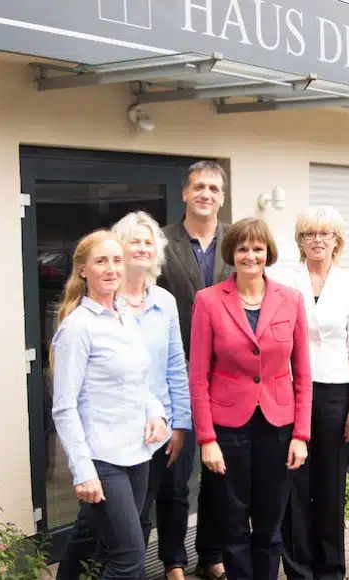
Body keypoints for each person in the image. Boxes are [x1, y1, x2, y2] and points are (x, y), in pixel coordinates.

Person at [189, 217, 312, 580]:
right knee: (233, 523)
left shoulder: (291, 300)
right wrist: (207, 439)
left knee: (270, 525)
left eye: (257, 248)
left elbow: (302, 374)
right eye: (242, 248)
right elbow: (198, 377)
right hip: (228, 429)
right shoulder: (208, 301)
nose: (250, 255)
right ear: (232, 253)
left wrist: (301, 435)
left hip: (278, 425)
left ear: (268, 253)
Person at [52, 230, 168, 579]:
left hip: (138, 453)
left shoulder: (126, 316)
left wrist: (156, 413)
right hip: (103, 458)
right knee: (128, 558)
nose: (111, 268)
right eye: (101, 261)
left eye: (116, 260)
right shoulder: (78, 327)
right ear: (83, 270)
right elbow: (64, 407)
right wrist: (82, 470)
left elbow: (140, 383)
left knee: (89, 538)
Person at [277, 206, 349, 580]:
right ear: (300, 241)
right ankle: (298, 569)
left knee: (330, 486)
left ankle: (330, 570)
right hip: (289, 391)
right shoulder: (282, 279)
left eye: (325, 234)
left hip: (334, 394)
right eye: (309, 234)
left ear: (337, 241)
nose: (317, 240)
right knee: (294, 483)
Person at [158, 160, 232, 580]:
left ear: (222, 197)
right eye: (198, 187)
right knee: (175, 475)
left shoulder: (236, 242)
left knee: (218, 473)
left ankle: (211, 554)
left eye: (214, 188)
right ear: (184, 193)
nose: (206, 194)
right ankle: (173, 559)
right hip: (176, 374)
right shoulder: (162, 243)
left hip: (226, 377)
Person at [112, 211, 191, 580]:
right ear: (119, 248)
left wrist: (180, 424)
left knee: (171, 497)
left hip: (163, 425)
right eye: (134, 241)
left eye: (148, 242)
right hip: (121, 427)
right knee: (133, 512)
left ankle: (169, 565)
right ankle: (131, 570)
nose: (142, 248)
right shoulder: (105, 302)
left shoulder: (165, 301)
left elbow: (176, 365)